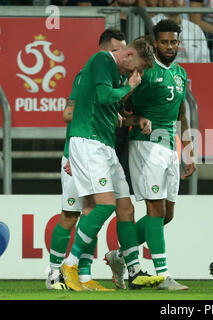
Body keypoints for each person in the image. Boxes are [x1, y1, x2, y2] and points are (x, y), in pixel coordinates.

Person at [60, 37, 163, 292]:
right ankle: (69, 265)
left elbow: (109, 111)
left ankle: (135, 271)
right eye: (134, 67)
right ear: (127, 54)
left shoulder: (117, 74)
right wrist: (129, 86)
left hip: (105, 145)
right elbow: (106, 97)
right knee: (103, 206)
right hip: (89, 142)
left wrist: (135, 119)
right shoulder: (102, 60)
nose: (134, 73)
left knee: (125, 208)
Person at [105, 19, 195, 291]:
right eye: (165, 42)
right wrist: (136, 118)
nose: (170, 46)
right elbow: (120, 106)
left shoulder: (179, 73)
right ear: (154, 43)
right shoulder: (144, 70)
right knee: (155, 210)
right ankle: (163, 275)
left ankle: (120, 256)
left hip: (170, 146)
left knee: (167, 214)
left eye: (174, 42)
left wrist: (188, 150)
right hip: (144, 144)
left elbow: (181, 114)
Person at [46, 29, 127, 291]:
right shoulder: (87, 75)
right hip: (77, 154)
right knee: (70, 215)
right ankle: (54, 274)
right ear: (104, 50)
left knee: (90, 211)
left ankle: (83, 276)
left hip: (93, 151)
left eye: (122, 51)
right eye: (115, 50)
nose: (119, 56)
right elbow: (68, 112)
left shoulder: (113, 77)